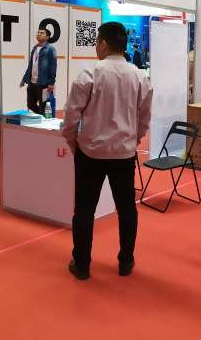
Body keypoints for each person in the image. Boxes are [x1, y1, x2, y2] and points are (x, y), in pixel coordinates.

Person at [61, 22, 153, 280]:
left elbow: (71, 116)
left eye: (96, 43)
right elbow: (144, 118)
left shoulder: (90, 73)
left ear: (102, 44)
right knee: (127, 209)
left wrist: (72, 142)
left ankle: (81, 264)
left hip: (90, 153)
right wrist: (134, 140)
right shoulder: (140, 77)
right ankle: (126, 261)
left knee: (84, 210)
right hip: (124, 154)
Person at [20, 28, 57, 114]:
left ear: (47, 37)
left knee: (43, 106)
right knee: (30, 104)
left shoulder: (50, 49)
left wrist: (51, 82)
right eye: (38, 32)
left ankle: (43, 118)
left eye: (42, 33)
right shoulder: (34, 49)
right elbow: (30, 66)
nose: (39, 34)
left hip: (43, 83)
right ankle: (41, 115)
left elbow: (53, 66)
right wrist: (24, 79)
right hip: (32, 83)